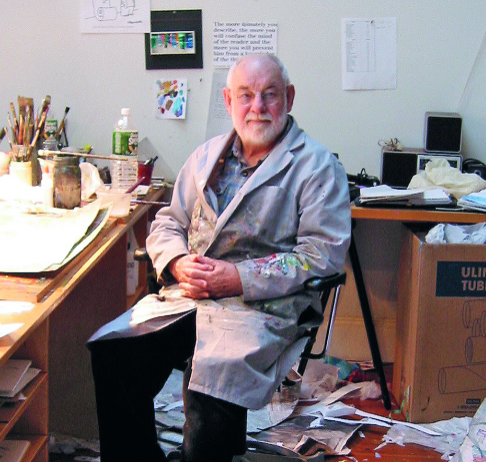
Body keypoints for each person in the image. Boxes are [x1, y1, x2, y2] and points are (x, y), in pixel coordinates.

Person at [87, 53, 351, 462]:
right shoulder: (205, 157)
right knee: (114, 352)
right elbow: (168, 222)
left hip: (263, 307)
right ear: (229, 101)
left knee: (215, 375)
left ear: (289, 98)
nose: (257, 107)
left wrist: (239, 277)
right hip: (189, 298)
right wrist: (177, 262)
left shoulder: (317, 166)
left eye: (270, 95)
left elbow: (323, 256)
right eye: (246, 95)